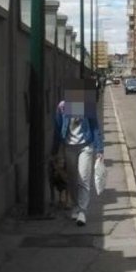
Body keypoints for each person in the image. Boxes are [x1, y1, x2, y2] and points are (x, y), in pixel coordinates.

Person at [52, 83, 105, 226]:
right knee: (72, 179)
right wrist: (54, 151)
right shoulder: (62, 108)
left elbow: (95, 128)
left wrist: (100, 149)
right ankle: (76, 206)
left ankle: (82, 210)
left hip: (85, 147)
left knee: (84, 179)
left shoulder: (87, 108)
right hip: (69, 147)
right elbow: (57, 130)